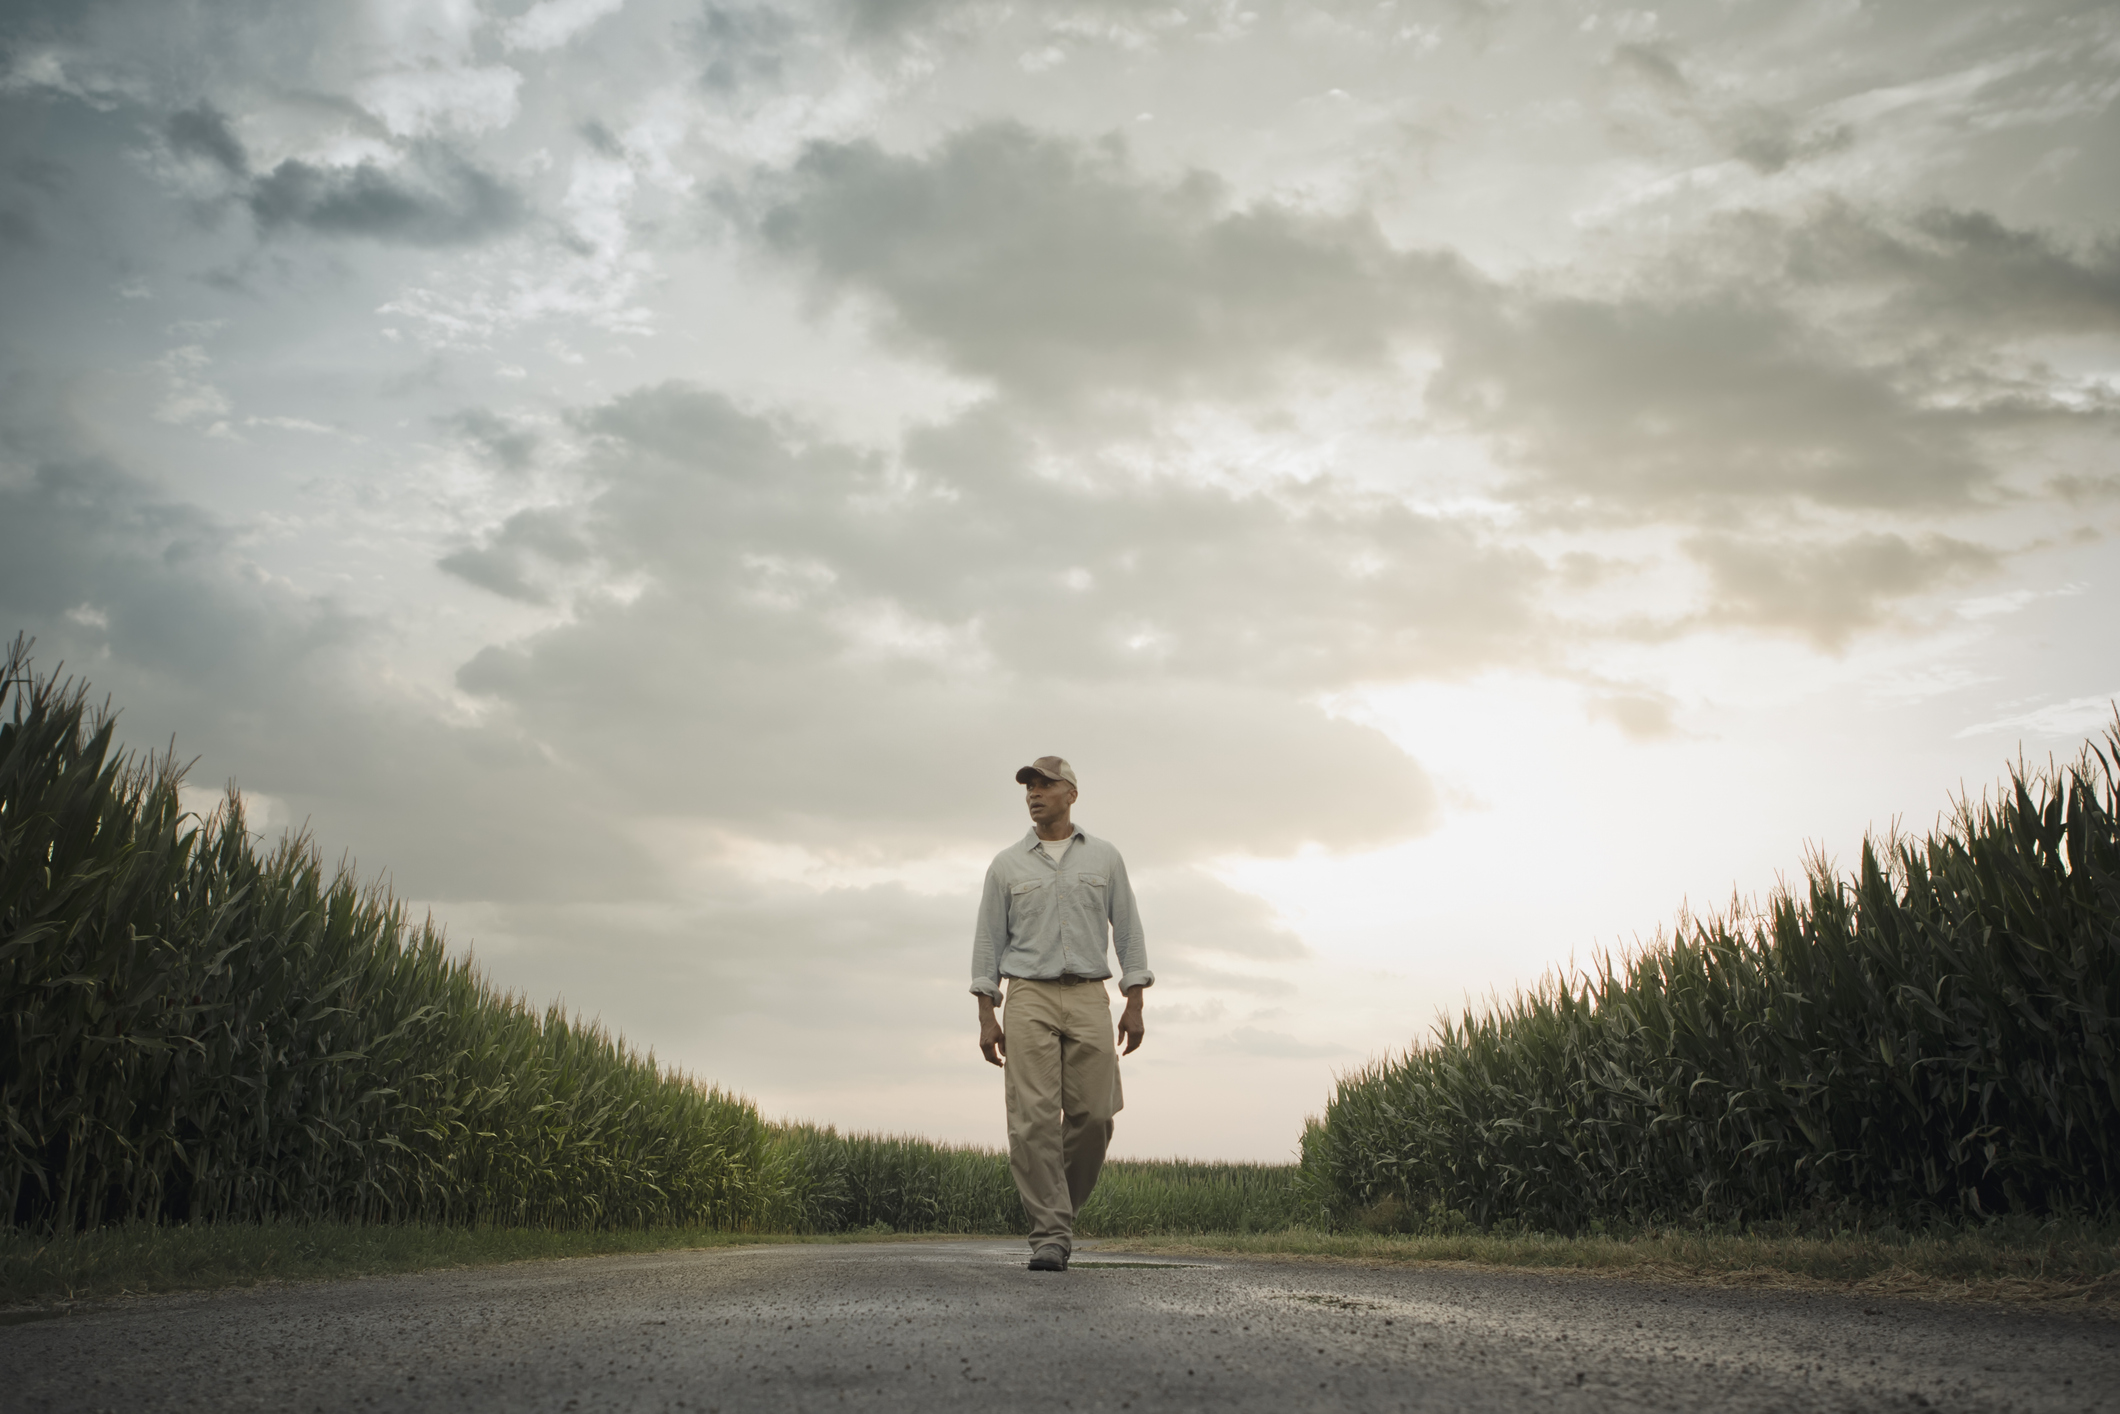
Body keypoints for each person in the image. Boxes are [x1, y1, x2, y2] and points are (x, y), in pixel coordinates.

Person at [970, 755, 1152, 1272]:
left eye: (1045, 785)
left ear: (1071, 794)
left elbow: (1130, 932)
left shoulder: (1106, 858)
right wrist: (987, 1013)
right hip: (1028, 994)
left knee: (1094, 1116)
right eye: (1029, 786)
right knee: (1032, 1123)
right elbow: (988, 943)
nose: (1034, 793)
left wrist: (1134, 1000)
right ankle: (1050, 1234)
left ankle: (1058, 1216)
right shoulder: (1006, 865)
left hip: (1091, 995)